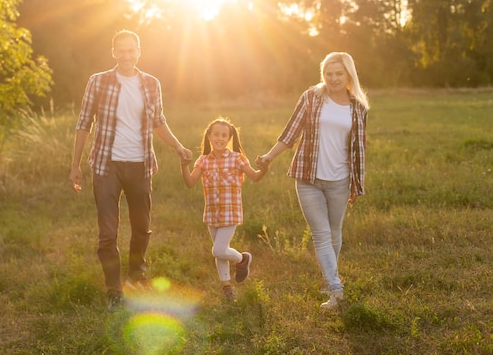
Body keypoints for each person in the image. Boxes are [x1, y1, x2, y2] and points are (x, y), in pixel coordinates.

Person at [69, 30, 192, 311]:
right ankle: (114, 290)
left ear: (139, 51)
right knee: (108, 233)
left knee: (141, 227)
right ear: (113, 52)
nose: (126, 55)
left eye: (131, 50)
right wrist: (75, 165)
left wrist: (178, 147)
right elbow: (84, 123)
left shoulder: (151, 84)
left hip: (140, 164)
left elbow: (158, 121)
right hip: (106, 165)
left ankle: (136, 276)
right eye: (120, 50)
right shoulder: (98, 81)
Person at [256, 52, 369, 310]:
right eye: (329, 73)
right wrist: (269, 157)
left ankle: (327, 278)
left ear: (349, 74)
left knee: (335, 233)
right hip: (308, 177)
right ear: (323, 74)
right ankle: (336, 288)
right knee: (321, 234)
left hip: (340, 180)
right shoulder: (311, 97)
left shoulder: (358, 107)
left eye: (339, 73)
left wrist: (356, 183)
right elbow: (290, 133)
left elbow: (359, 149)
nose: (333, 78)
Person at [181, 117, 269, 301]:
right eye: (216, 135)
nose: (219, 138)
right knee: (220, 250)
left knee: (218, 250)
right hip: (212, 214)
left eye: (223, 135)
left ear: (229, 137)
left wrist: (264, 168)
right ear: (209, 136)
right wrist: (184, 166)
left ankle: (242, 259)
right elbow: (190, 183)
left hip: (231, 212)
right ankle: (227, 288)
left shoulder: (237, 159)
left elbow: (254, 177)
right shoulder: (203, 161)